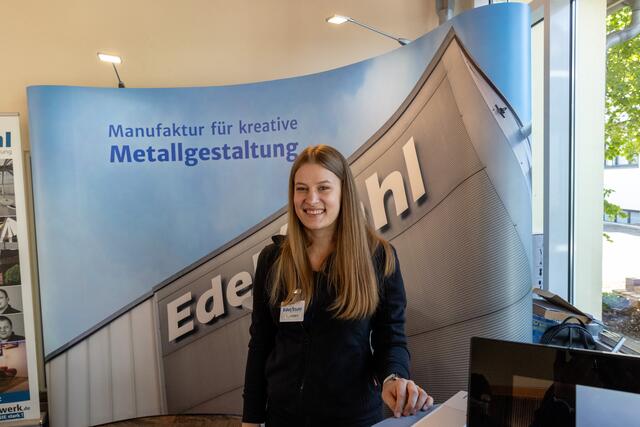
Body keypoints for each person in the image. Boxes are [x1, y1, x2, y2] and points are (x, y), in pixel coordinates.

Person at [242, 145, 433, 427]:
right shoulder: (273, 260)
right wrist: (251, 419)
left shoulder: (378, 257)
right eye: (302, 189)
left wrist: (393, 377)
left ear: (344, 192)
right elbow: (261, 344)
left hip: (353, 418)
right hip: (283, 418)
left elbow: (391, 339)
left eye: (323, 188)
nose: (311, 199)